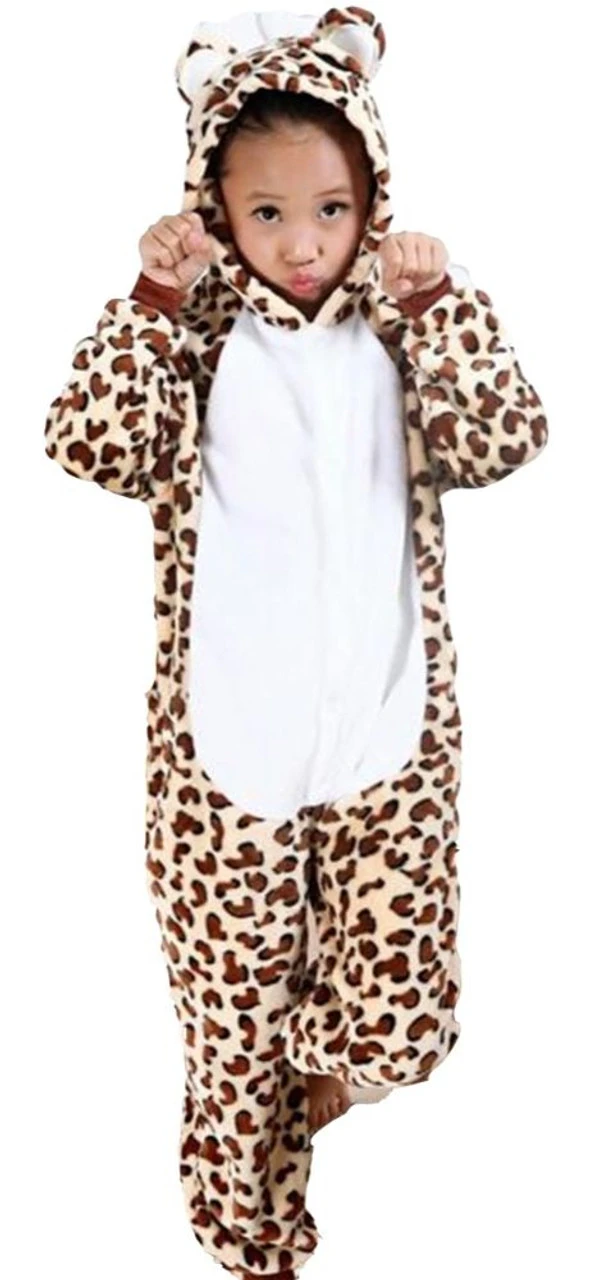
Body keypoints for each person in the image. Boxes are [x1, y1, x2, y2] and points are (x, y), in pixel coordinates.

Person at [43, 9, 549, 1279]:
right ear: (214, 208)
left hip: (389, 734)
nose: (304, 242)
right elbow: (93, 448)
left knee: (401, 1018)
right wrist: (153, 301)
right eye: (266, 213)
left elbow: (502, 441)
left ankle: (331, 1070)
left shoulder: (405, 315)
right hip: (228, 756)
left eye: (330, 208)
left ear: (372, 195)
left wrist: (437, 309)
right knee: (231, 1035)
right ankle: (251, 1231)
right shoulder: (194, 330)